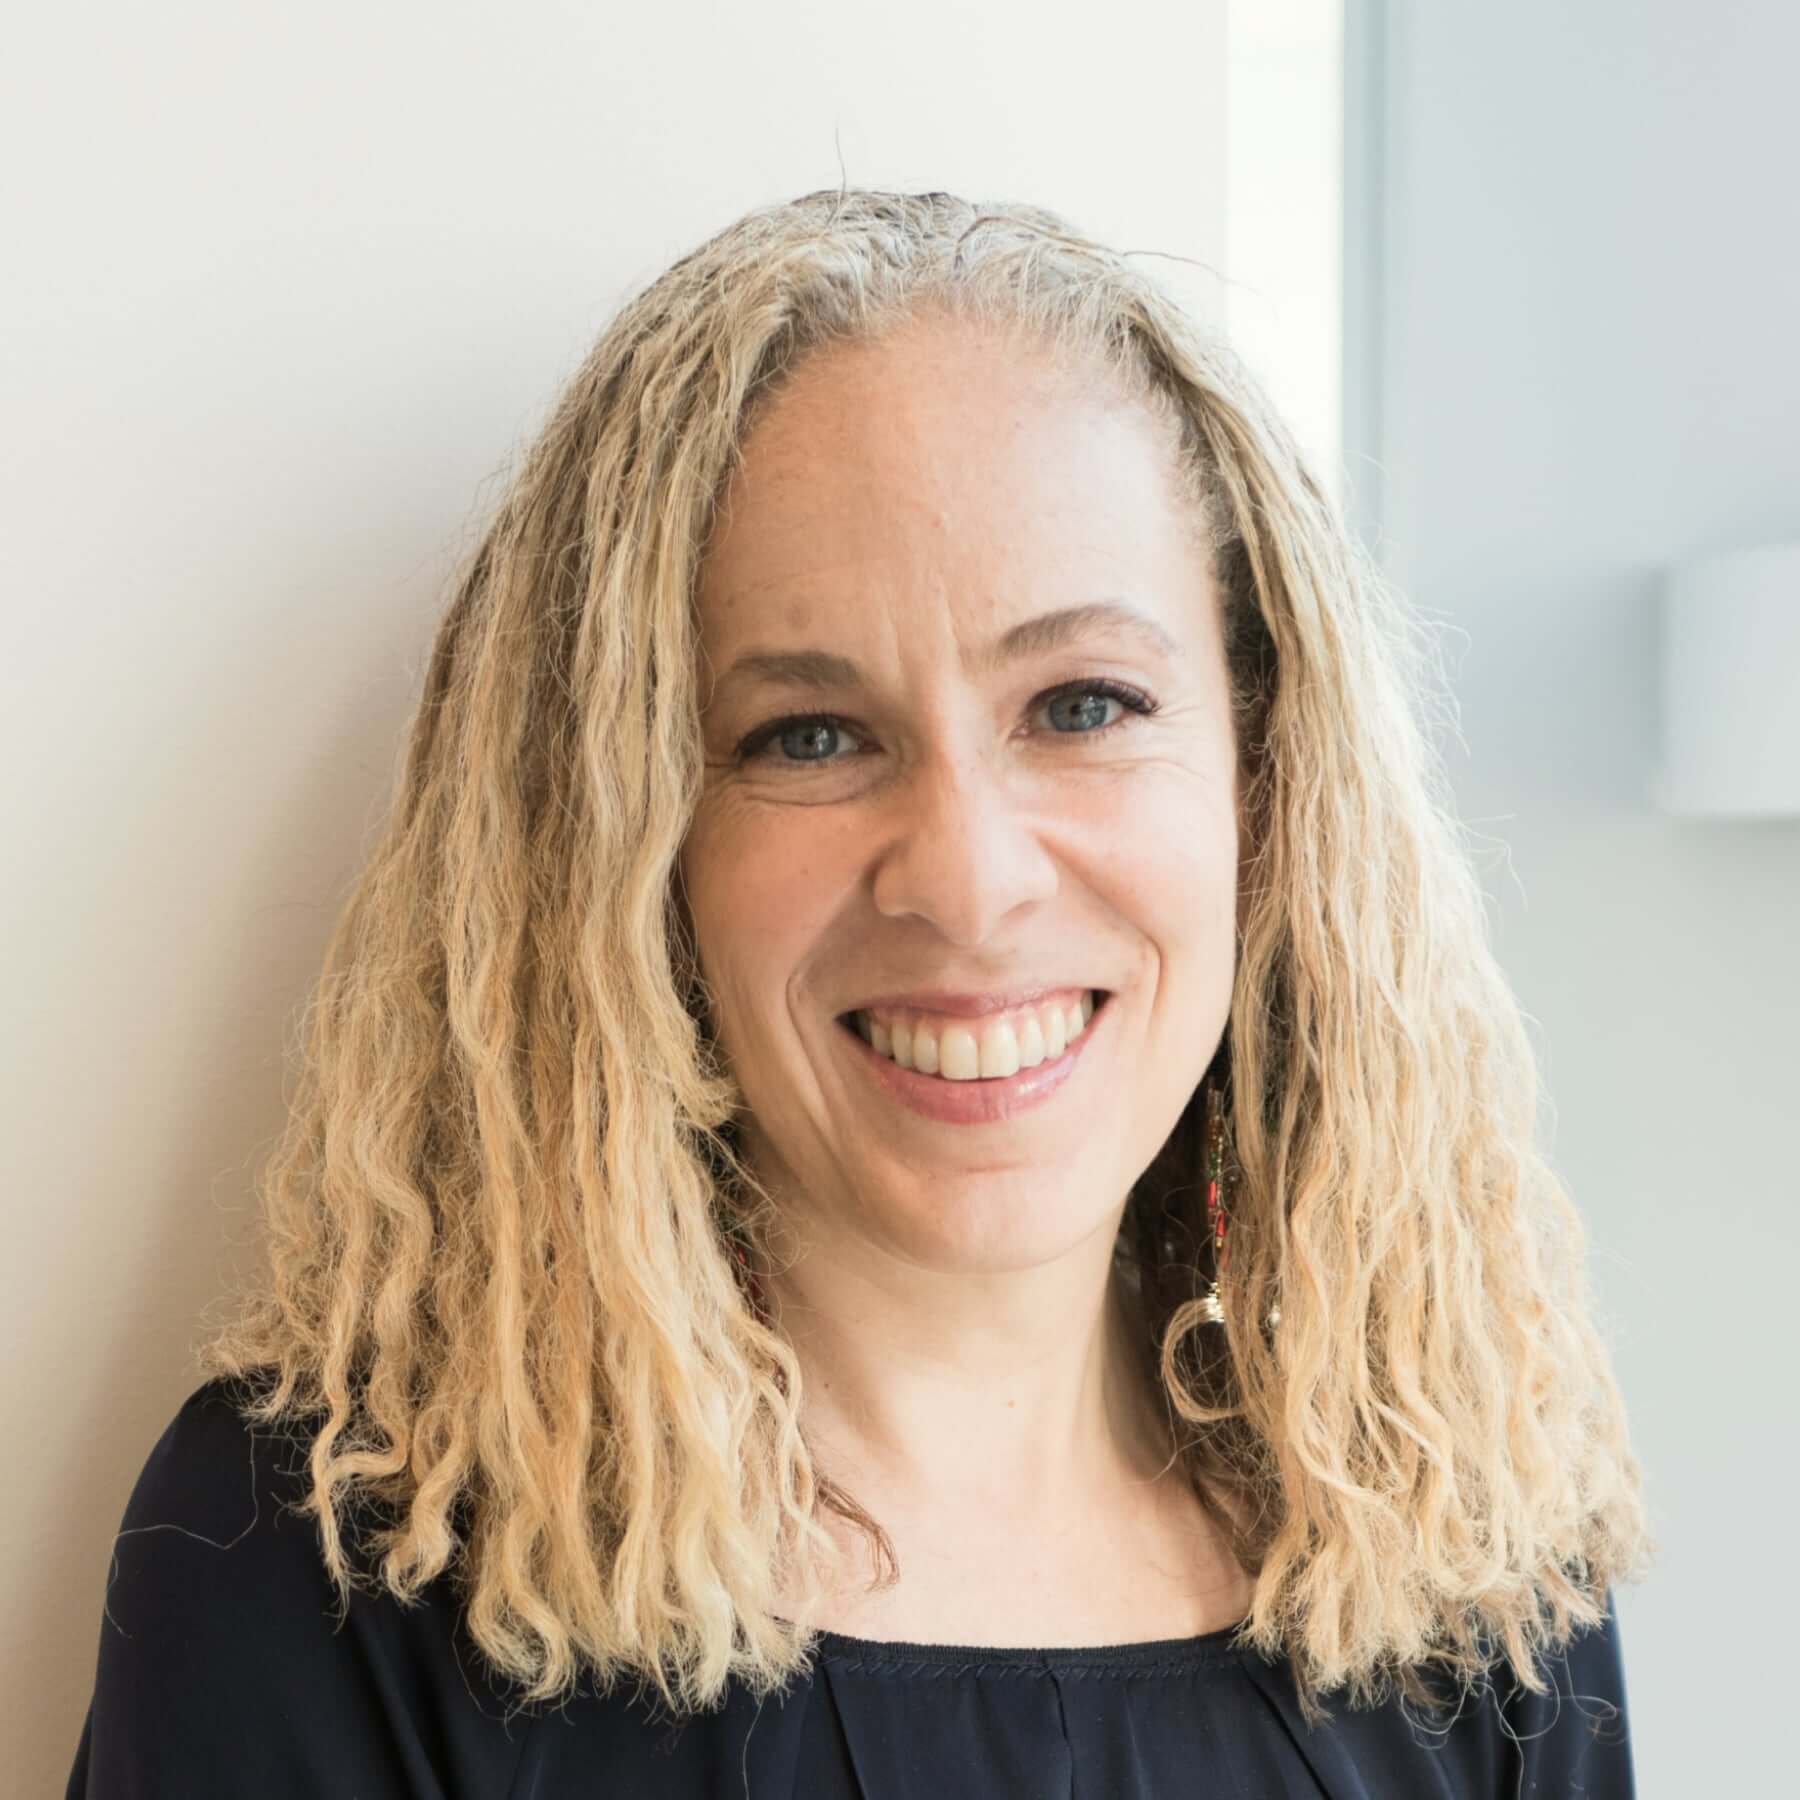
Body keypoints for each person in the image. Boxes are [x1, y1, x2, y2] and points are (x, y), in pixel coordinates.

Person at [65, 188, 1654, 1797]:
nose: (966, 878)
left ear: (1268, 773)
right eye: (808, 736)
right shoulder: (328, 1581)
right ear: (619, 847)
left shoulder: (1469, 1573)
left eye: (1083, 704)